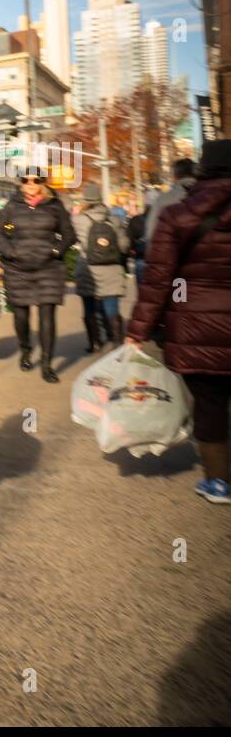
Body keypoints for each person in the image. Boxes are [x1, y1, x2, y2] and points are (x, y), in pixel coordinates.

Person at [126, 140, 231, 504]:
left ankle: (218, 482)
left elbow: (159, 280)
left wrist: (138, 331)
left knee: (210, 403)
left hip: (195, 326)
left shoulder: (177, 214)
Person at [0, 166, 78, 382]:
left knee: (47, 315)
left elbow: (69, 234)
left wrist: (57, 250)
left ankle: (47, 364)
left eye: (36, 180)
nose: (31, 184)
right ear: (20, 183)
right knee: (21, 316)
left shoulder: (55, 205)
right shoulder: (12, 205)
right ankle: (26, 349)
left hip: (48, 268)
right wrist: (10, 252)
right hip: (17, 269)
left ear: (43, 183)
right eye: (26, 180)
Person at [72, 184, 130, 352]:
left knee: (89, 308)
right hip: (111, 269)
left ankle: (94, 343)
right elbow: (124, 246)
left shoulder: (78, 220)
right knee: (112, 308)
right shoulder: (115, 220)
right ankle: (117, 343)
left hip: (87, 269)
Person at [145, 158, 197, 245]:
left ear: (175, 177)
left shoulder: (162, 201)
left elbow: (151, 234)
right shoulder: (209, 196)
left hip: (171, 253)